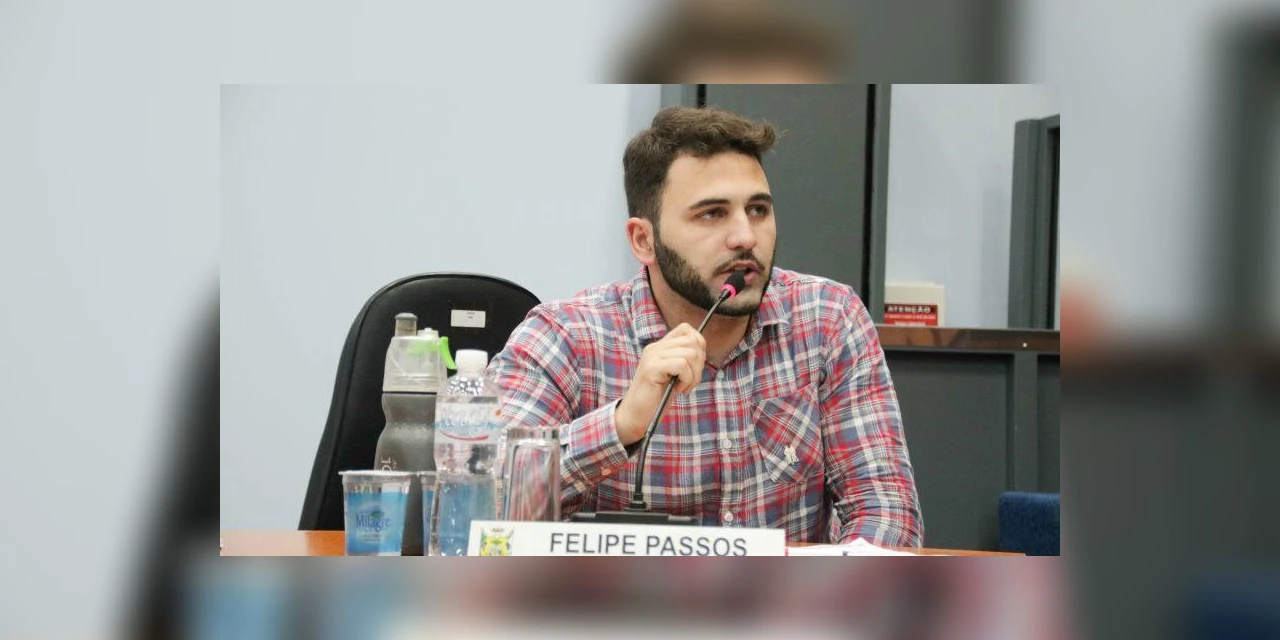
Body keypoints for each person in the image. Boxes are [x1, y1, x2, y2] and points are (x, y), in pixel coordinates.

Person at [489, 106, 922, 546]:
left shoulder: (828, 317)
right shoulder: (564, 337)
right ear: (644, 240)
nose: (746, 237)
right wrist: (622, 424)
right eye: (712, 214)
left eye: (758, 210)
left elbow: (887, 509)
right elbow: (488, 508)